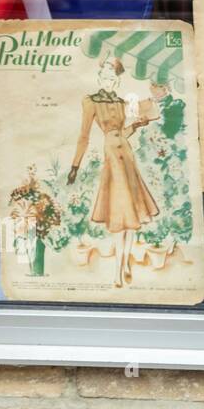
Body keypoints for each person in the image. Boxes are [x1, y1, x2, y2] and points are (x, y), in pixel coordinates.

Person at [67, 58, 159, 288]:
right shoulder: (90, 102)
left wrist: (137, 125)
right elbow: (84, 136)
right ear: (99, 78)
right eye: (105, 77)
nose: (109, 81)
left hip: (127, 157)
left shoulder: (120, 102)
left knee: (130, 216)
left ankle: (125, 262)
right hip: (112, 159)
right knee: (120, 214)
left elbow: (122, 133)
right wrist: (75, 166)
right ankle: (118, 270)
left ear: (117, 80)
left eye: (113, 78)